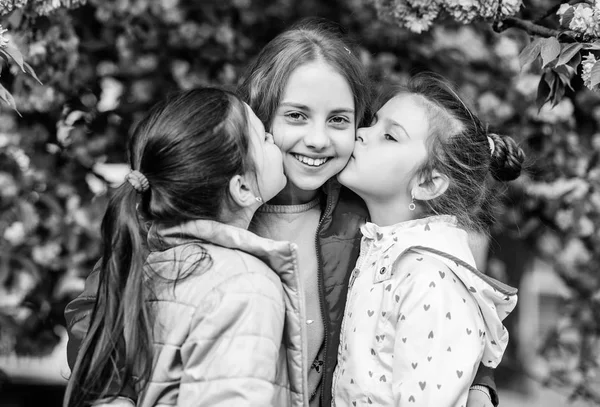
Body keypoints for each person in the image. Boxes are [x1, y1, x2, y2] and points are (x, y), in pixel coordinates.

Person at [65, 18, 499, 407]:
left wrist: (479, 384)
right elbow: (97, 309)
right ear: (261, 115)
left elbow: (435, 317)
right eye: (295, 116)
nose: (317, 139)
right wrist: (114, 392)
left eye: (338, 121)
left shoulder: (365, 222)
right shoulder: (199, 204)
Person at [63, 87, 311, 407]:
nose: (275, 140)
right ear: (243, 188)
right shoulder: (245, 286)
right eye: (264, 138)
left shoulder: (142, 264)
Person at [331, 74, 525, 406]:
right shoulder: (382, 248)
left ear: (428, 183)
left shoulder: (431, 279)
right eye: (372, 124)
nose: (360, 133)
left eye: (389, 136)